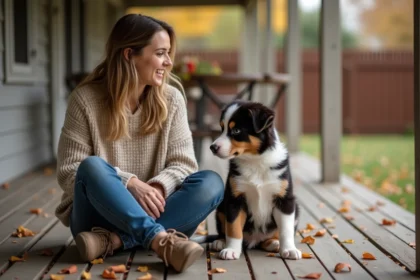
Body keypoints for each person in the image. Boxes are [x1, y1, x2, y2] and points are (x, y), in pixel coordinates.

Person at [55, 14, 224, 273]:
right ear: (128, 55)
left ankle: (113, 242)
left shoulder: (172, 99)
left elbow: (184, 164)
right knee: (90, 167)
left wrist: (157, 186)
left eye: (168, 53)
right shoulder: (85, 99)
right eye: (160, 53)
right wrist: (130, 184)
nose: (168, 62)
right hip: (96, 218)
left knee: (211, 182)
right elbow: (70, 172)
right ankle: (159, 240)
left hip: (155, 208)